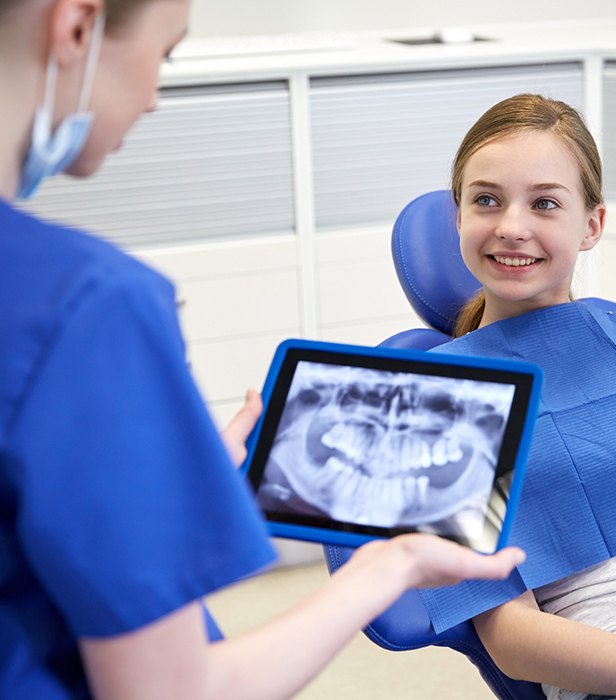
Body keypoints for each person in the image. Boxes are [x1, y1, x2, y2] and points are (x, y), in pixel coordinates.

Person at [0, 0, 526, 698]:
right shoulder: (89, 303)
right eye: (164, 54)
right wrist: (386, 569)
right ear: (75, 28)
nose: (155, 95)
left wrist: (151, 484)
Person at [429, 93, 616, 699]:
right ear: (456, 217)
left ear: (591, 224)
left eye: (544, 203)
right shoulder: (431, 403)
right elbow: (513, 642)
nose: (512, 226)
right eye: (486, 199)